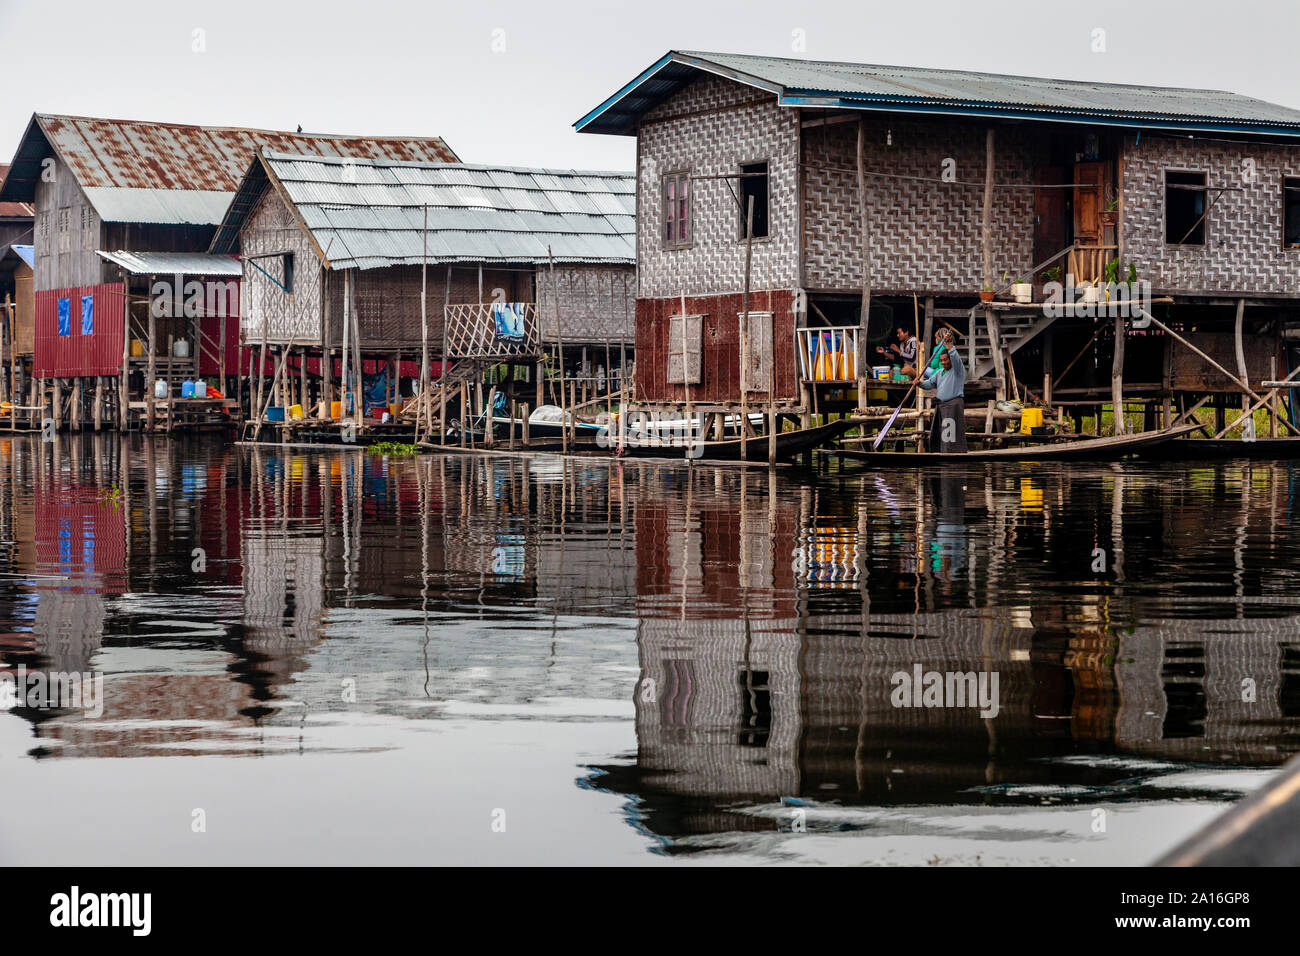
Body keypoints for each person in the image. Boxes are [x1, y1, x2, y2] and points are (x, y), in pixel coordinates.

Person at [917, 330, 967, 452]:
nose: (943, 362)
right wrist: (919, 383)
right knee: (940, 434)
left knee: (950, 435)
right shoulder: (939, 373)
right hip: (942, 406)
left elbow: (955, 357)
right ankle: (942, 452)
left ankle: (952, 454)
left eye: (946, 360)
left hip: (953, 406)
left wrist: (948, 343)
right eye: (942, 360)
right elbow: (929, 384)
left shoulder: (957, 371)